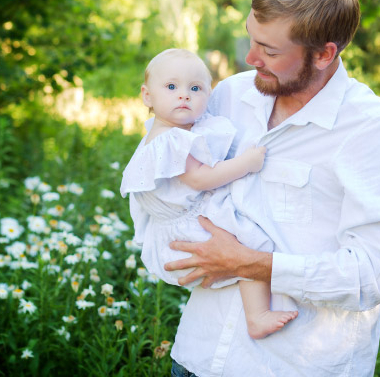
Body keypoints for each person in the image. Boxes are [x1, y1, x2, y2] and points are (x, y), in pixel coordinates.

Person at [132, 0, 380, 376]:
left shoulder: (374, 128)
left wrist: (249, 263)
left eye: (268, 50)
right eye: (251, 39)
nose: (249, 58)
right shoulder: (229, 96)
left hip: (293, 366)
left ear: (324, 54)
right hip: (198, 355)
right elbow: (161, 171)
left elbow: (369, 275)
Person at [120, 49, 298, 340]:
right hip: (192, 225)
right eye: (171, 87)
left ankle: (252, 314)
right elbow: (202, 178)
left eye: (195, 88)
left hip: (176, 227)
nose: (184, 95)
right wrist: (246, 163)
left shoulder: (159, 132)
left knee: (247, 243)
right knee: (253, 242)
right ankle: (257, 316)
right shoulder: (171, 140)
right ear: (147, 96)